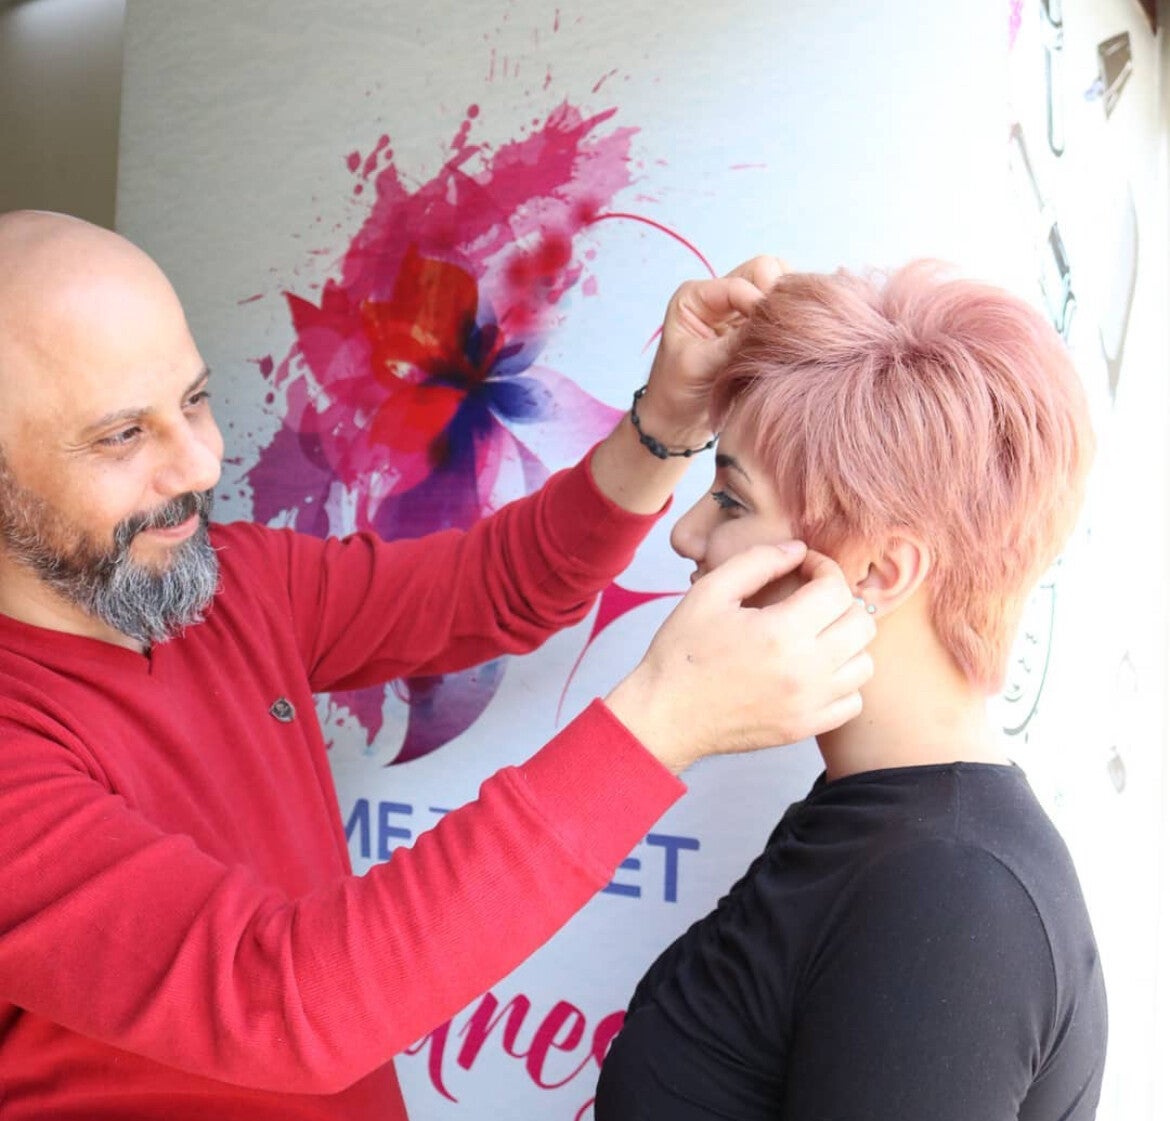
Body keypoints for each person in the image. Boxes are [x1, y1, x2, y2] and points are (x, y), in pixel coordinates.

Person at [0, 210, 875, 1121]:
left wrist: (663, 422)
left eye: (193, 400)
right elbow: (283, 1004)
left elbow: (502, 588)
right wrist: (662, 724)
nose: (201, 462)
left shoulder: (232, 582)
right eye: (121, 436)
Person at [595, 262, 1107, 1120]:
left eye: (731, 500)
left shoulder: (949, 897)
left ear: (879, 570)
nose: (686, 533)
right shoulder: (878, 822)